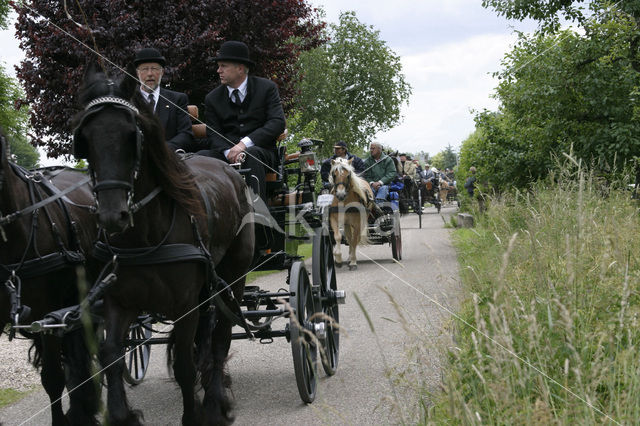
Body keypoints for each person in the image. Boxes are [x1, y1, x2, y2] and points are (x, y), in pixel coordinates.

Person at [202, 41, 285, 202]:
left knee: (251, 155)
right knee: (200, 158)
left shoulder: (266, 88)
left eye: (223, 66)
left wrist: (243, 145)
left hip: (261, 152)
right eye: (218, 66)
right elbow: (213, 133)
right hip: (225, 154)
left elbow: (277, 122)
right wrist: (229, 153)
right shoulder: (212, 98)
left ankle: (257, 218)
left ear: (240, 68)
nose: (219, 70)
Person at [134, 48, 194, 151]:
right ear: (137, 73)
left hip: (168, 158)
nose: (150, 74)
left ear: (162, 72)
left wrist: (163, 150)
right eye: (144, 69)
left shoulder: (177, 99)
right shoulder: (128, 100)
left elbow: (186, 134)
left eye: (154, 69)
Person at [362, 142, 398, 206]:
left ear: (379, 149)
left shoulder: (388, 160)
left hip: (385, 185)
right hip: (371, 186)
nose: (371, 150)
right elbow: (366, 176)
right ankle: (369, 206)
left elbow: (392, 173)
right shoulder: (368, 161)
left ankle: (378, 207)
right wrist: (372, 183)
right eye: (370, 149)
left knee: (383, 189)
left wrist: (380, 182)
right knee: (367, 192)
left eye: (373, 148)